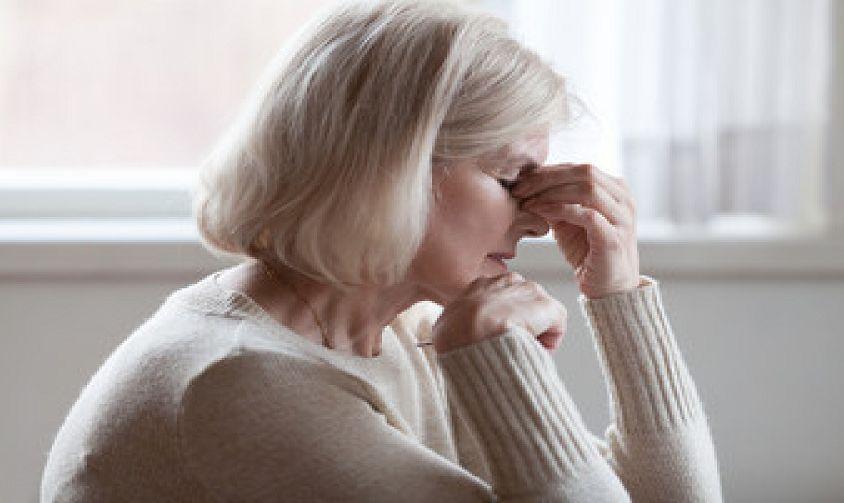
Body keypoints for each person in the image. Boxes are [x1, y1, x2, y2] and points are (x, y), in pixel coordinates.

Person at [40, 0, 723, 501]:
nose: (538, 220)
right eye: (511, 177)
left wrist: (619, 297)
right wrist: (505, 372)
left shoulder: (406, 329)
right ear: (394, 172)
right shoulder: (241, 381)